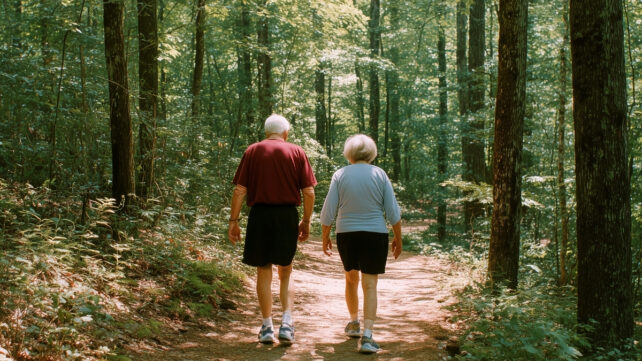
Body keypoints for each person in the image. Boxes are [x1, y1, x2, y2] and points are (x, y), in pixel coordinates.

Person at [228, 114, 316, 345]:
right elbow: (309, 192)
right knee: (286, 270)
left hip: (260, 216)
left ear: (266, 132)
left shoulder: (253, 151)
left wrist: (233, 221)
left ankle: (267, 326)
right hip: (286, 215)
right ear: (285, 133)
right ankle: (287, 323)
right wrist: (306, 221)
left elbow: (239, 190)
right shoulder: (297, 152)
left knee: (263, 270)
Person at [320, 134, 402, 354]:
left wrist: (325, 235)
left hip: (347, 234)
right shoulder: (379, 174)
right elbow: (392, 211)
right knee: (370, 285)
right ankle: (367, 336)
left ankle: (354, 322)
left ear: (349, 153)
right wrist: (398, 238)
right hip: (375, 234)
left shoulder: (340, 174)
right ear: (371, 153)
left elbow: (329, 210)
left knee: (350, 278)